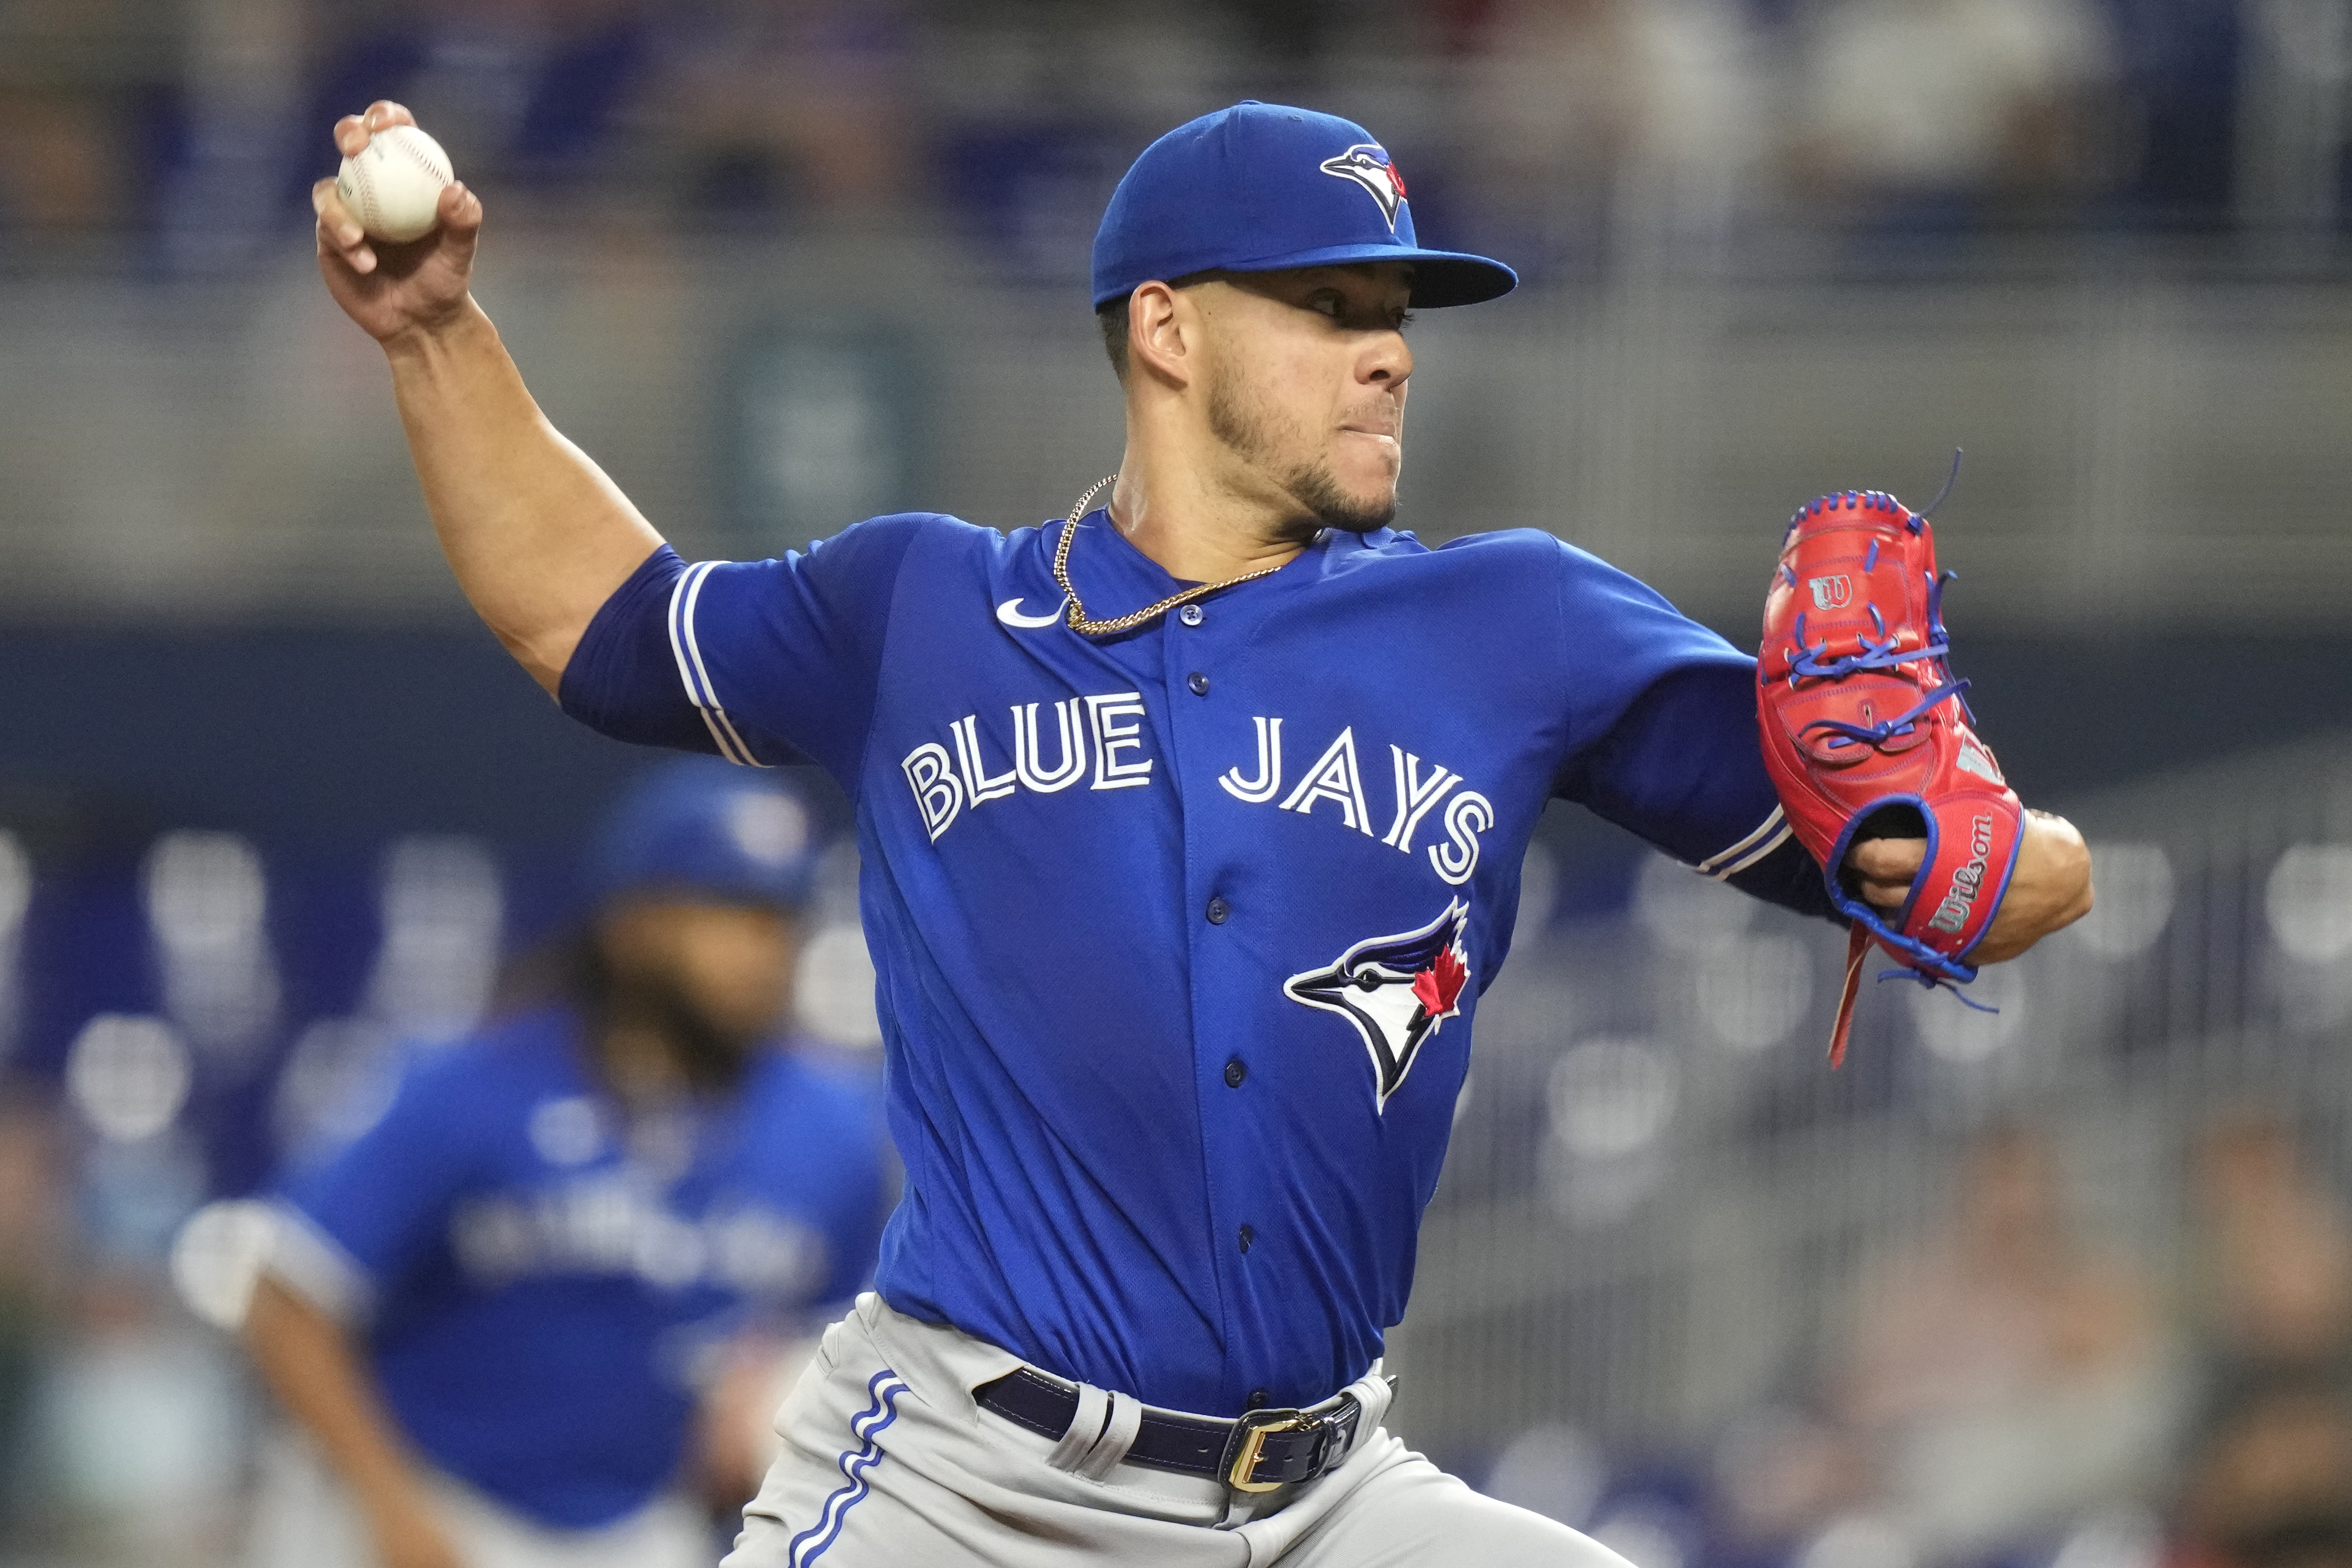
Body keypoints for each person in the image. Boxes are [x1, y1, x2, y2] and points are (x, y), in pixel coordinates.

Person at [309, 96, 2093, 1566]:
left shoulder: (1517, 626)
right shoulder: (922, 610)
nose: (1387, 356)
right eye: (1327, 304)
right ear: (1165, 324)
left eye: (1397, 316)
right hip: (965, 1485)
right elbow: (597, 622)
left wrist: (1989, 843)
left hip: (1324, 1499)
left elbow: (1970, 870)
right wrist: (437, 333)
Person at [240, 762, 889, 1568]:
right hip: (433, 1492)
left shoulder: (832, 1124)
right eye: (735, 914)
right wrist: (390, 1506)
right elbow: (287, 1300)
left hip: (641, 1523)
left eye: (785, 921)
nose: (769, 953)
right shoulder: (475, 1081)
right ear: (634, 925)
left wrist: (770, 1396)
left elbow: (837, 1342)